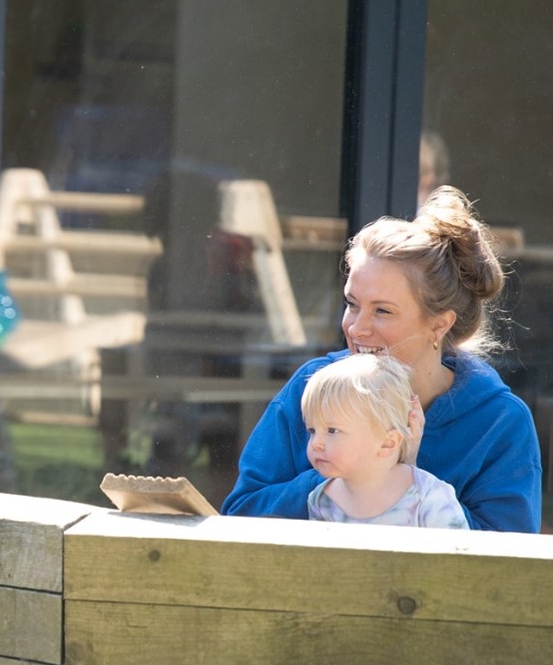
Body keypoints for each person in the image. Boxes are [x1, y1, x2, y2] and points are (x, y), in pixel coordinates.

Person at [222, 185, 541, 532]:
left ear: (439, 325)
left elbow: (507, 562)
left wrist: (401, 485)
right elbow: (241, 513)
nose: (357, 328)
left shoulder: (499, 422)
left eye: (383, 311)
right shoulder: (309, 385)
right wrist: (336, 486)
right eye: (352, 304)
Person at [301, 352, 468, 529]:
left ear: (388, 442)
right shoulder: (321, 500)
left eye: (332, 430)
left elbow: (460, 554)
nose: (316, 443)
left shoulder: (429, 497)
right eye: (312, 430)